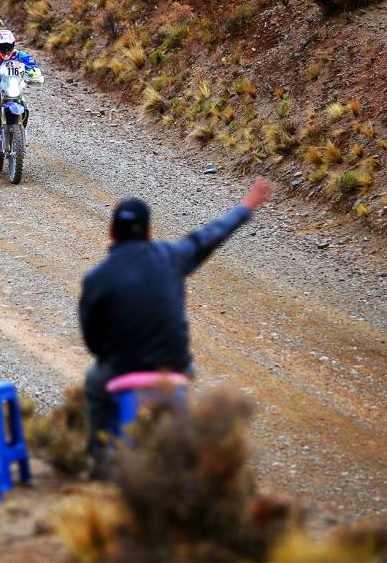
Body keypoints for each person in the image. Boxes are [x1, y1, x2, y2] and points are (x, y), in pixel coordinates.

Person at [78, 178, 273, 475]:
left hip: (122, 370)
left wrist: (111, 355)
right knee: (181, 387)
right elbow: (210, 236)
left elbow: (91, 339)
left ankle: (101, 463)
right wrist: (246, 206)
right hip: (173, 369)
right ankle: (183, 466)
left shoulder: (97, 277)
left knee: (95, 383)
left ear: (111, 233)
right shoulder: (172, 256)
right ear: (149, 233)